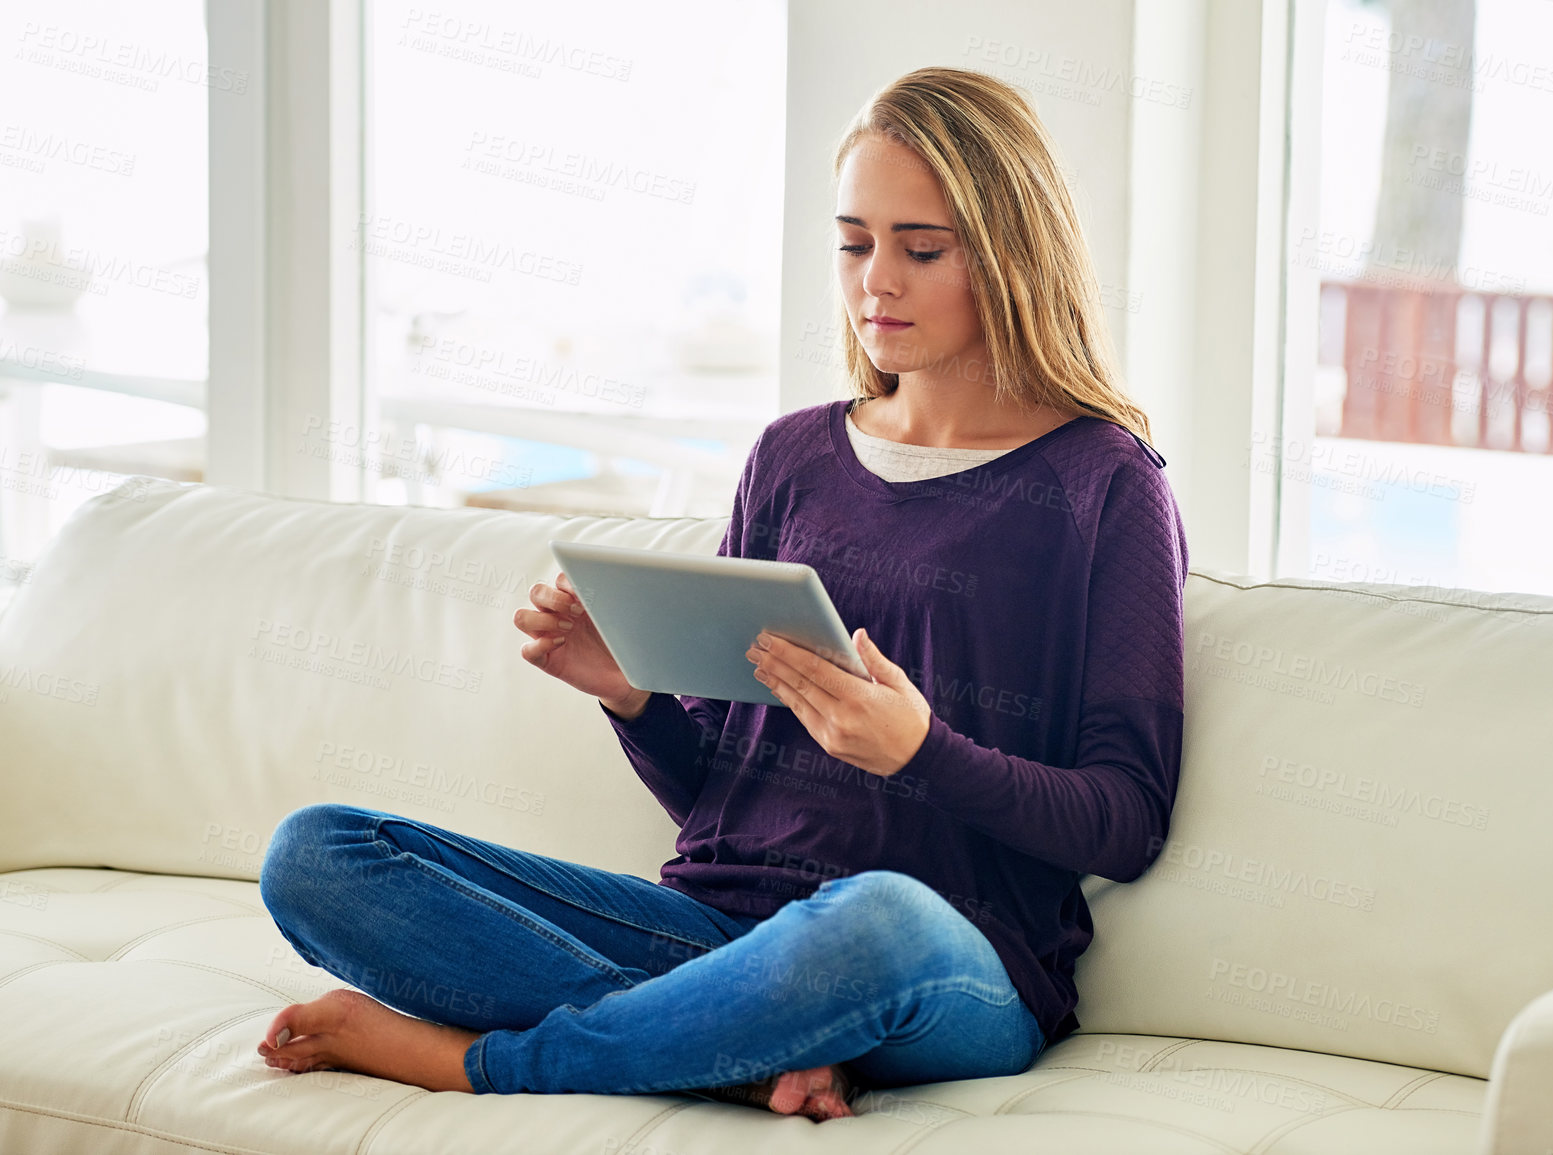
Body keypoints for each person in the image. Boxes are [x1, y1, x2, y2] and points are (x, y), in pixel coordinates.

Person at [253, 65, 1188, 1124]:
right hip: (712, 930)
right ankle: (739, 1050)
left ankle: (479, 1066)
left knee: (874, 919)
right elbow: (719, 800)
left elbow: (1127, 822)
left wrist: (922, 752)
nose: (876, 280)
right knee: (320, 854)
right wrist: (634, 699)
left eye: (920, 249)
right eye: (853, 242)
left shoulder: (1104, 484)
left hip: (940, 962)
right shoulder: (792, 458)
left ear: (1011, 255)